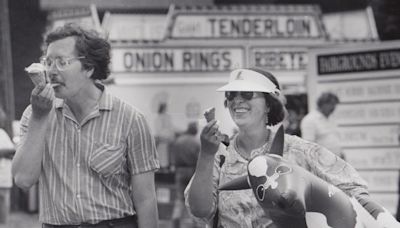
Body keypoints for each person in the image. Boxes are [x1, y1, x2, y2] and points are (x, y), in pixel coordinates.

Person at [11, 23, 159, 228]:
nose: (51, 71)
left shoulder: (130, 119)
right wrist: (39, 118)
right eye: (48, 62)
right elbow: (23, 179)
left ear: (89, 67)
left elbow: (146, 199)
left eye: (62, 62)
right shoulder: (36, 113)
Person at [185, 68, 369, 228]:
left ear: (268, 105)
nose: (237, 101)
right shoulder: (220, 155)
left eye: (248, 94)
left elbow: (356, 191)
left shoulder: (298, 150)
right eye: (231, 94)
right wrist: (207, 154)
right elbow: (200, 211)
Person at [300, 92, 345, 160]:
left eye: (335, 105)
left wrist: (341, 154)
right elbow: (308, 146)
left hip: (336, 160)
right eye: (331, 104)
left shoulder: (331, 118)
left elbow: (334, 138)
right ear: (323, 104)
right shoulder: (310, 120)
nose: (333, 108)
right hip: (322, 162)